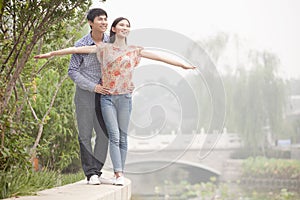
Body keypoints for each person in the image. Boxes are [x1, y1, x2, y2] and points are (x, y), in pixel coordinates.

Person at [34, 17, 196, 186]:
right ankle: (116, 173)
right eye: (121, 25)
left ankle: (120, 175)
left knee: (124, 137)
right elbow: (76, 49)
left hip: (125, 98)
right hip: (108, 99)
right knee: (114, 136)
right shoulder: (103, 49)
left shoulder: (134, 50)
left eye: (127, 26)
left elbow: (160, 57)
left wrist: (182, 65)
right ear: (114, 29)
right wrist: (52, 54)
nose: (125, 28)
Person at [67, 8, 111, 185]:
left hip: (105, 96)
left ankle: (98, 171)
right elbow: (72, 71)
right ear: (90, 23)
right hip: (85, 95)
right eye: (100, 19)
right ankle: (90, 173)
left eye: (106, 19)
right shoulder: (81, 44)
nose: (104, 22)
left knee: (104, 134)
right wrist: (94, 87)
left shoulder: (111, 42)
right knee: (85, 134)